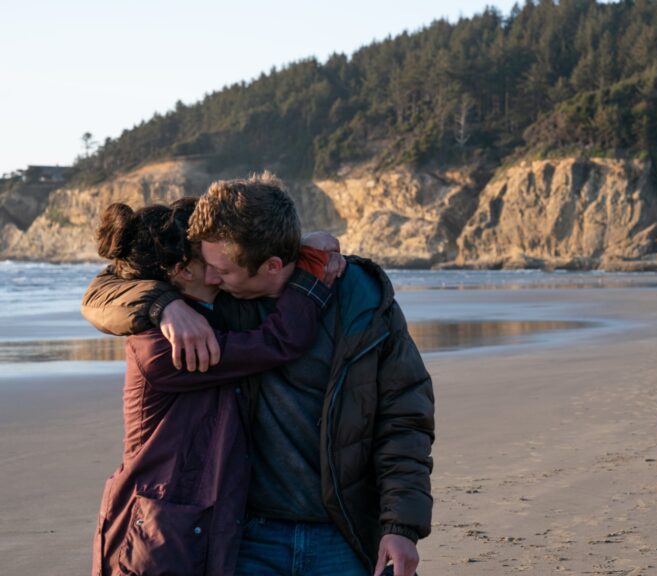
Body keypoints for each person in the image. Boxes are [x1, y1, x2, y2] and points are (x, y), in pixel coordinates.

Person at [81, 173, 434, 576]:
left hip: (345, 532)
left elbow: (405, 418)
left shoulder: (360, 300)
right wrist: (163, 304)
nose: (214, 277)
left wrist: (401, 526)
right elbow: (104, 286)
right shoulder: (200, 315)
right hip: (242, 537)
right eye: (209, 267)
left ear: (271, 263)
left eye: (223, 269)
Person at [87, 198, 337, 575]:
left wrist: (291, 247)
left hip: (185, 522)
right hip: (157, 536)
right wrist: (309, 270)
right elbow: (280, 340)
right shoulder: (170, 345)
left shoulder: (208, 314)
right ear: (183, 270)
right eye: (210, 260)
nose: (221, 266)